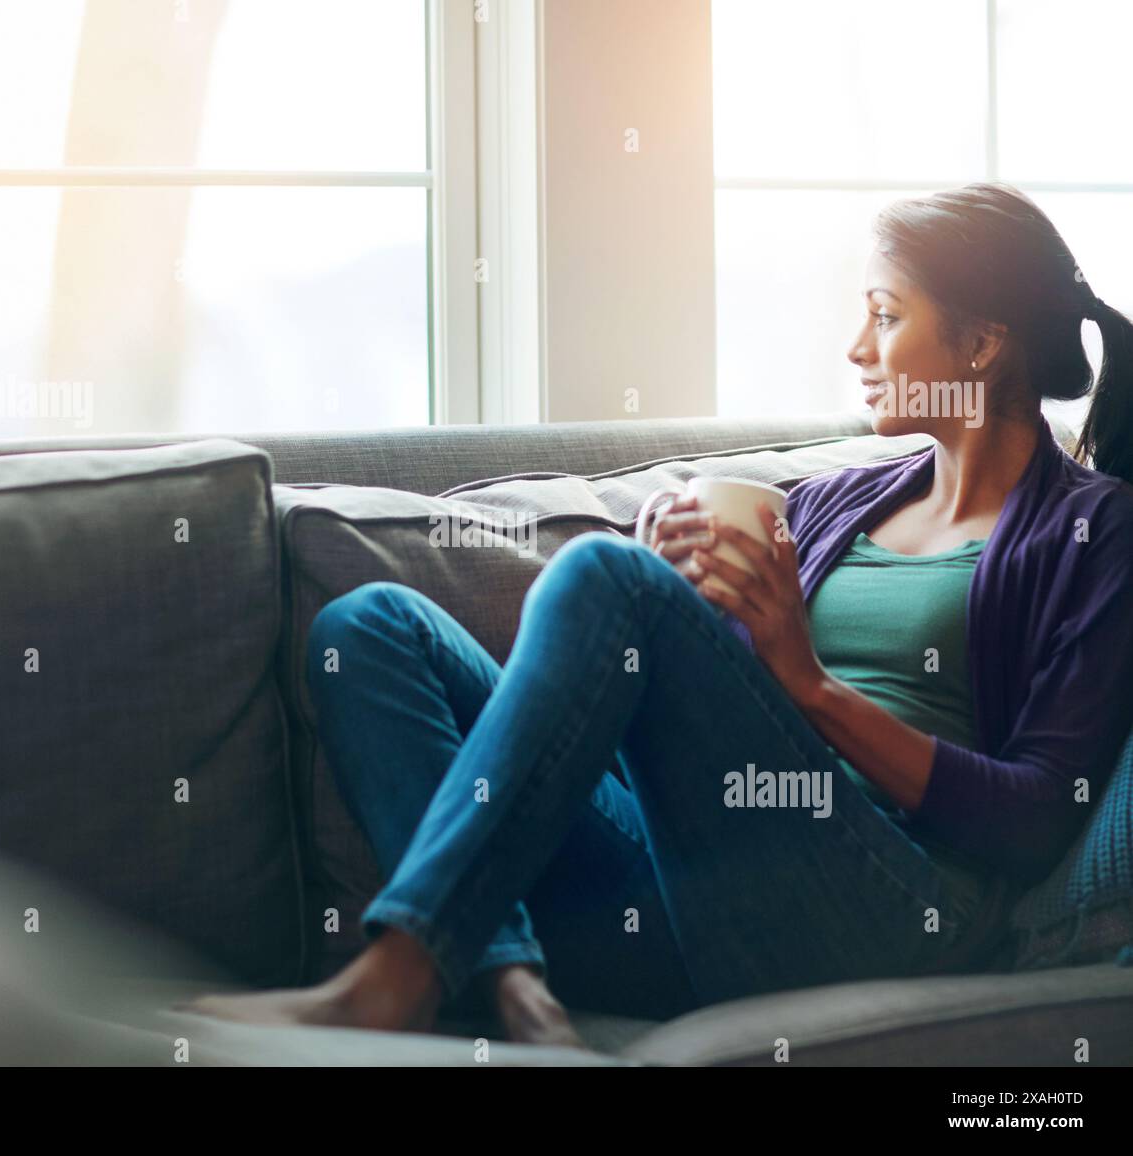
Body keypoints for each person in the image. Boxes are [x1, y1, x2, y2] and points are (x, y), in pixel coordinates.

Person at [181, 183, 1133, 1049]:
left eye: (884, 317)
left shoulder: (1094, 535)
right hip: (704, 889)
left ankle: (401, 970)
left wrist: (808, 684)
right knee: (370, 627)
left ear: (980, 343)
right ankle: (508, 973)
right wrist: (675, 586)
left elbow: (1038, 816)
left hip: (890, 902)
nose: (855, 349)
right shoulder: (841, 501)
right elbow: (708, 716)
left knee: (611, 579)